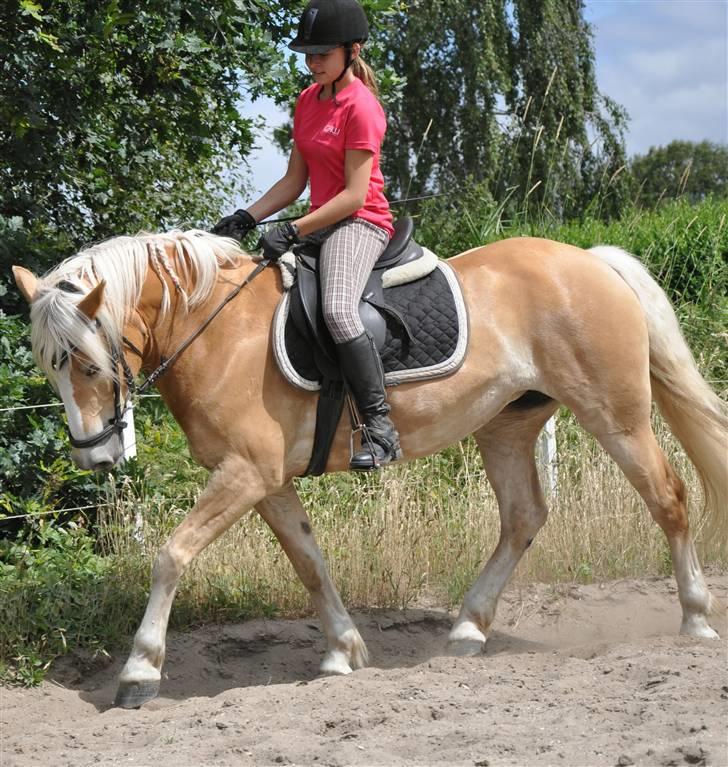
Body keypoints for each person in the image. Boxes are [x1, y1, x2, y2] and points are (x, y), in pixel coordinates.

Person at [213, 0, 401, 471]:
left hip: (360, 224)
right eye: (308, 54)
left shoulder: (362, 106)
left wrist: (293, 228)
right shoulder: (306, 100)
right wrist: (247, 216)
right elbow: (295, 182)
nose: (312, 62)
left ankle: (381, 429)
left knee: (338, 310)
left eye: (322, 53)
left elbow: (356, 195)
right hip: (320, 222)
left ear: (351, 51)